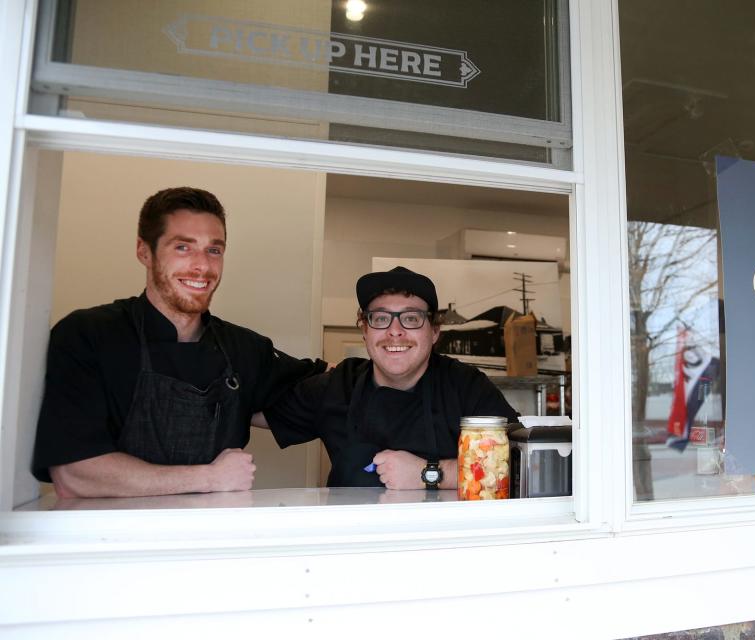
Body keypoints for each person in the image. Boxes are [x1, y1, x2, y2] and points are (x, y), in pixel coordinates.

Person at [32, 187, 324, 498]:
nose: (202, 266)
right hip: (110, 541)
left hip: (208, 538)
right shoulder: (89, 335)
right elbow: (74, 474)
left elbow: (331, 390)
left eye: (214, 250)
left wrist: (381, 348)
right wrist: (211, 478)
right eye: (183, 247)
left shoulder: (244, 349)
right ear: (144, 251)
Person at [260, 266, 519, 489]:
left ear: (434, 332)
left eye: (411, 318)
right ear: (365, 329)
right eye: (381, 318)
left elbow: (516, 460)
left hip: (444, 541)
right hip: (355, 540)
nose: (395, 331)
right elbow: (249, 410)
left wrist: (428, 474)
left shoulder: (466, 385)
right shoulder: (339, 385)